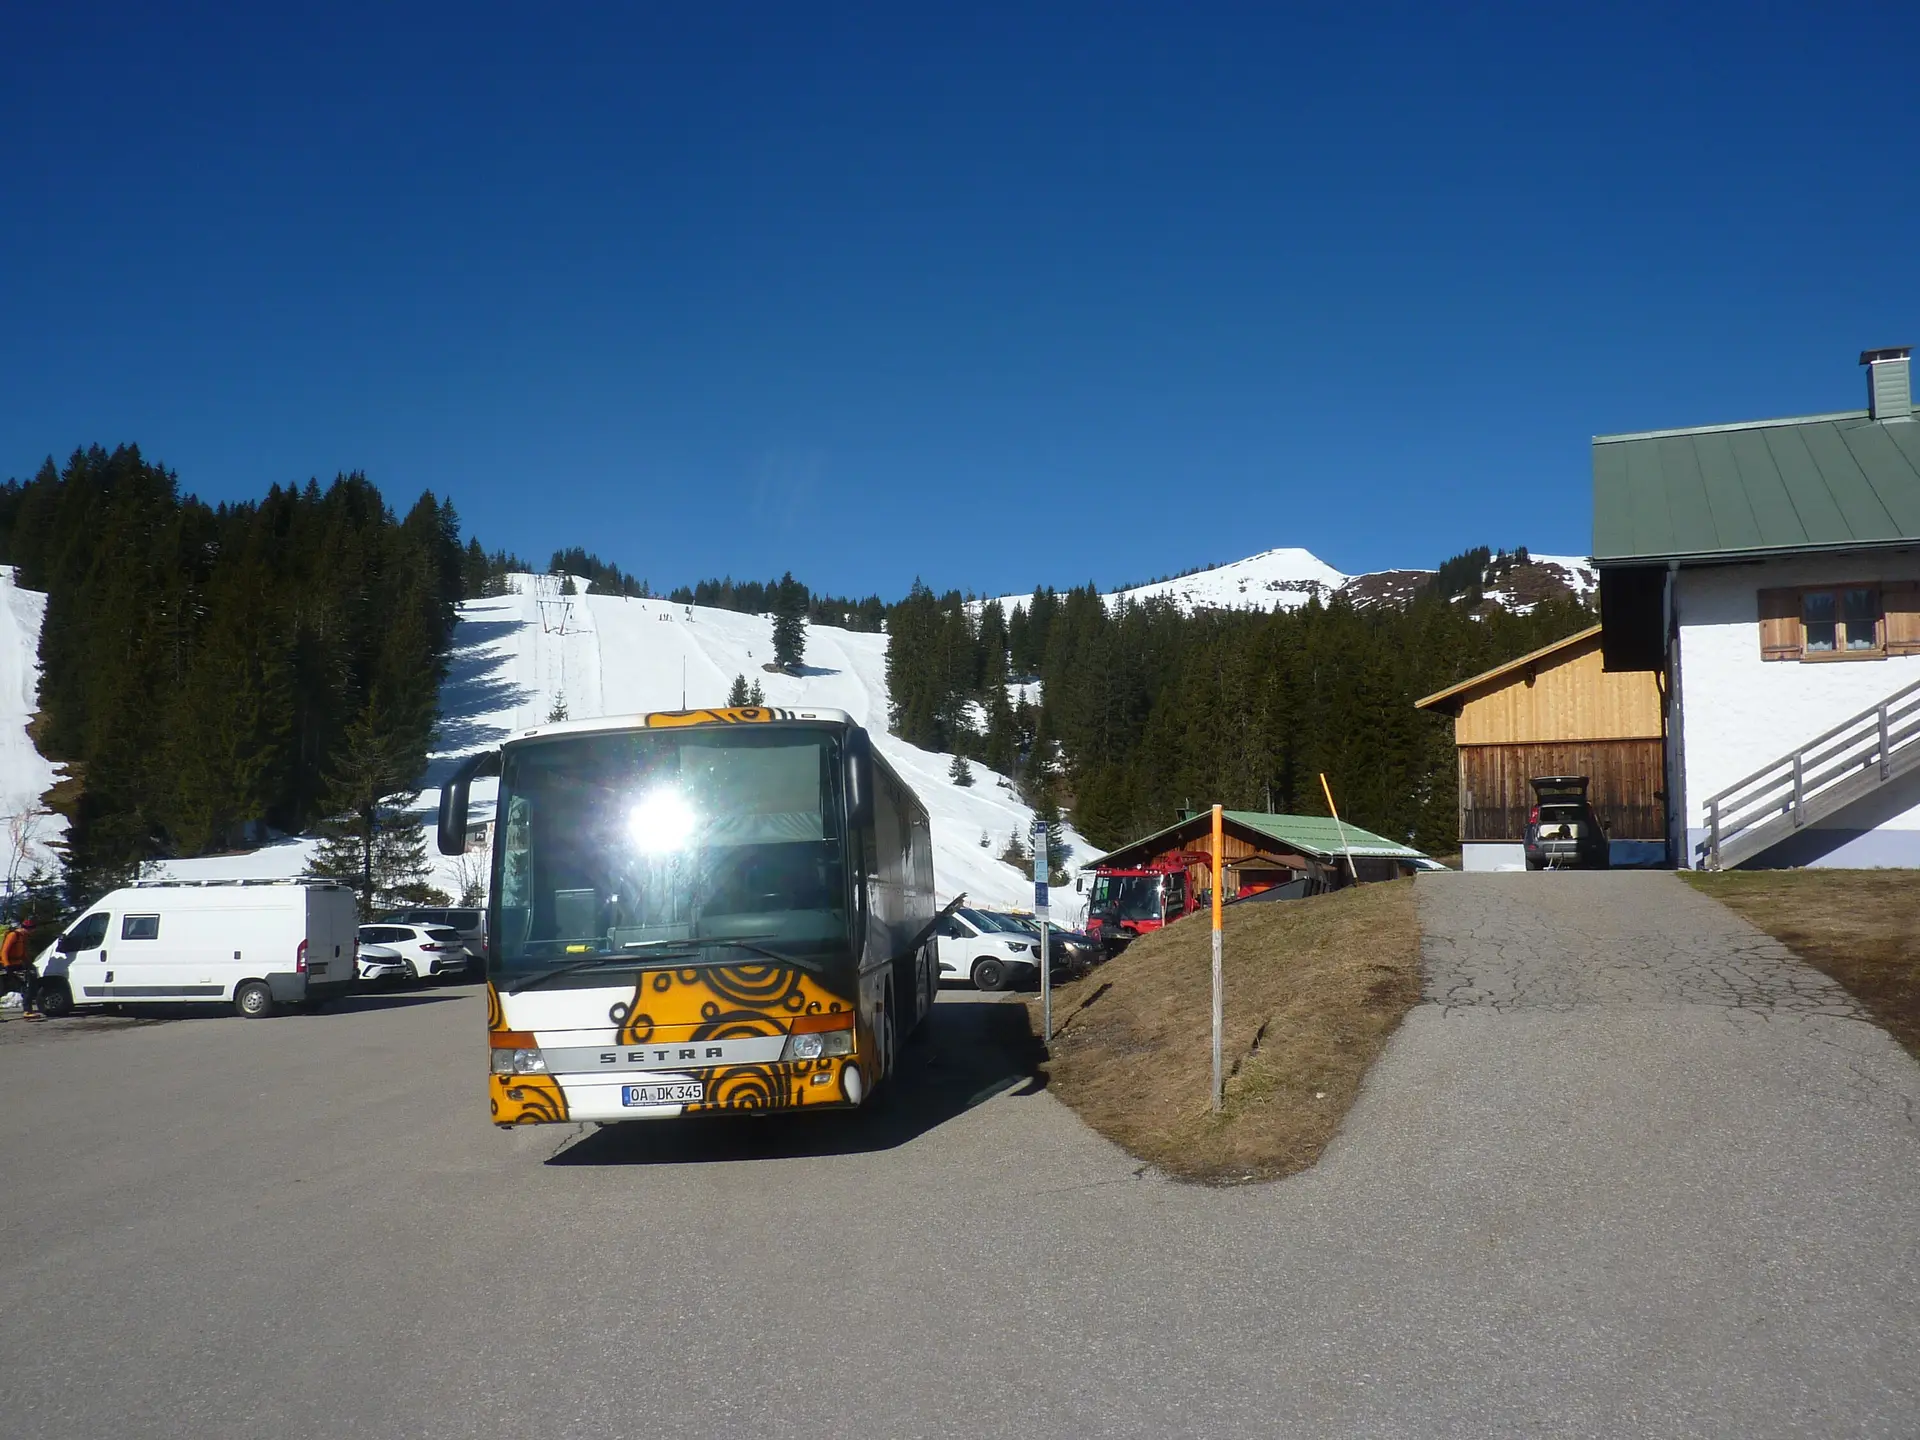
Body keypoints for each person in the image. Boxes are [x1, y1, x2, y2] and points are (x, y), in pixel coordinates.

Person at [0, 916, 44, 1020]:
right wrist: (7, 966)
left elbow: (23, 953)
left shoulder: (23, 937)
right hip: (6, 964)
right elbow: (4, 952)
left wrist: (29, 964)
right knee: (2, 989)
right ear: (27, 928)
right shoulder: (13, 935)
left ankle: (28, 1011)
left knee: (26, 985)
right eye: (32, 930)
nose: (32, 932)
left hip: (16, 963)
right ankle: (27, 1010)